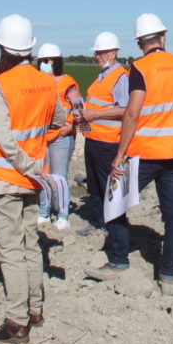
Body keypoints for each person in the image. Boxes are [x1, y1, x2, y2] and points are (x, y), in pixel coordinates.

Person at [0, 15, 65, 344]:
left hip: (4, 178)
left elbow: (2, 137)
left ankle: (16, 323)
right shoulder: (46, 82)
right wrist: (37, 162)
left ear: (2, 47)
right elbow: (59, 121)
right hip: (31, 180)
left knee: (11, 251)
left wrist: (26, 164)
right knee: (30, 244)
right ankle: (35, 310)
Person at [85, 14, 173, 295]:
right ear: (163, 37)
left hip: (144, 152)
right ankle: (168, 275)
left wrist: (119, 154)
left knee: (114, 201)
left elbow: (131, 113)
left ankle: (119, 260)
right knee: (172, 215)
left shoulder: (140, 68)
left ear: (139, 42)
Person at [75, 31, 129, 236]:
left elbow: (126, 110)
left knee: (110, 188)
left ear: (114, 53)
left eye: (102, 52)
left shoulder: (121, 78)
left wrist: (95, 115)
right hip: (94, 139)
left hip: (109, 142)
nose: (98, 56)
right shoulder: (101, 77)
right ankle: (98, 221)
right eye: (97, 53)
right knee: (96, 186)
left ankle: (113, 225)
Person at [34, 43, 77, 229]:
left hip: (61, 136)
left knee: (59, 176)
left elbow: (79, 109)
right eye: (42, 61)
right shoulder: (39, 83)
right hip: (43, 136)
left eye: (48, 60)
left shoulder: (68, 83)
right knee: (43, 175)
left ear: (57, 62)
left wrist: (71, 126)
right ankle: (44, 211)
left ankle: (62, 214)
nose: (44, 64)